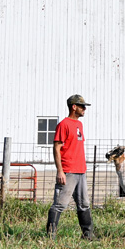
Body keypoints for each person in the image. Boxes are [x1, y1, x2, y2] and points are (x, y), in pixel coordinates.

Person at [45, 94, 97, 240]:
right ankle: (51, 236)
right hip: (68, 171)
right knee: (60, 204)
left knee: (84, 204)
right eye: (82, 106)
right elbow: (57, 148)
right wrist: (60, 171)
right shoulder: (64, 124)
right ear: (74, 107)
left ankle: (88, 235)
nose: (84, 109)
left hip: (81, 170)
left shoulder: (79, 125)